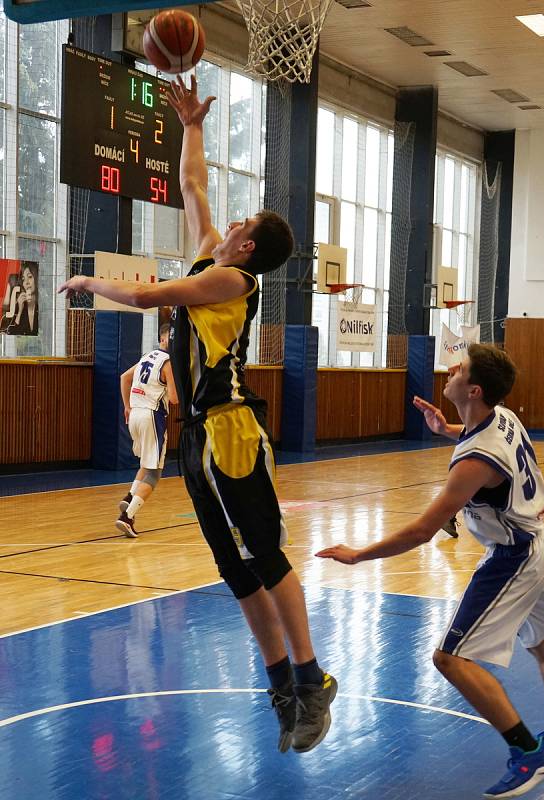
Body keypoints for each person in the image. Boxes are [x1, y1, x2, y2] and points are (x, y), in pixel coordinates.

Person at [59, 74, 336, 755]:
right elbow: (193, 189)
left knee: (266, 558)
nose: (232, 220)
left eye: (243, 223)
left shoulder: (232, 279)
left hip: (231, 432)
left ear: (247, 246)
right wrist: (191, 125)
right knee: (233, 569)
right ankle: (280, 684)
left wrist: (93, 281)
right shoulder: (218, 249)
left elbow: (159, 296)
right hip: (197, 438)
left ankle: (312, 677)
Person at [317, 343, 544, 798]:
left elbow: (424, 530)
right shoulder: (502, 417)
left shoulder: (475, 460)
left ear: (474, 388)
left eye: (459, 368)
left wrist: (358, 554)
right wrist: (449, 430)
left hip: (513, 556)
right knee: (540, 641)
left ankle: (528, 755)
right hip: (537, 542)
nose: (451, 369)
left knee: (449, 658)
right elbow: (483, 442)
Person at [116, 323, 178, 538]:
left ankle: (129, 497)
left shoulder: (147, 356)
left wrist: (126, 406)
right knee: (154, 471)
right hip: (152, 415)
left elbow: (124, 377)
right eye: (170, 338)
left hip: (135, 413)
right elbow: (174, 398)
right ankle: (128, 516)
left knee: (146, 463)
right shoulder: (168, 363)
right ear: (163, 339)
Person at [7, 262, 38, 336]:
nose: (26, 282)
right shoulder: (19, 305)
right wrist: (20, 311)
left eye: (30, 277)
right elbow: (12, 332)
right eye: (23, 279)